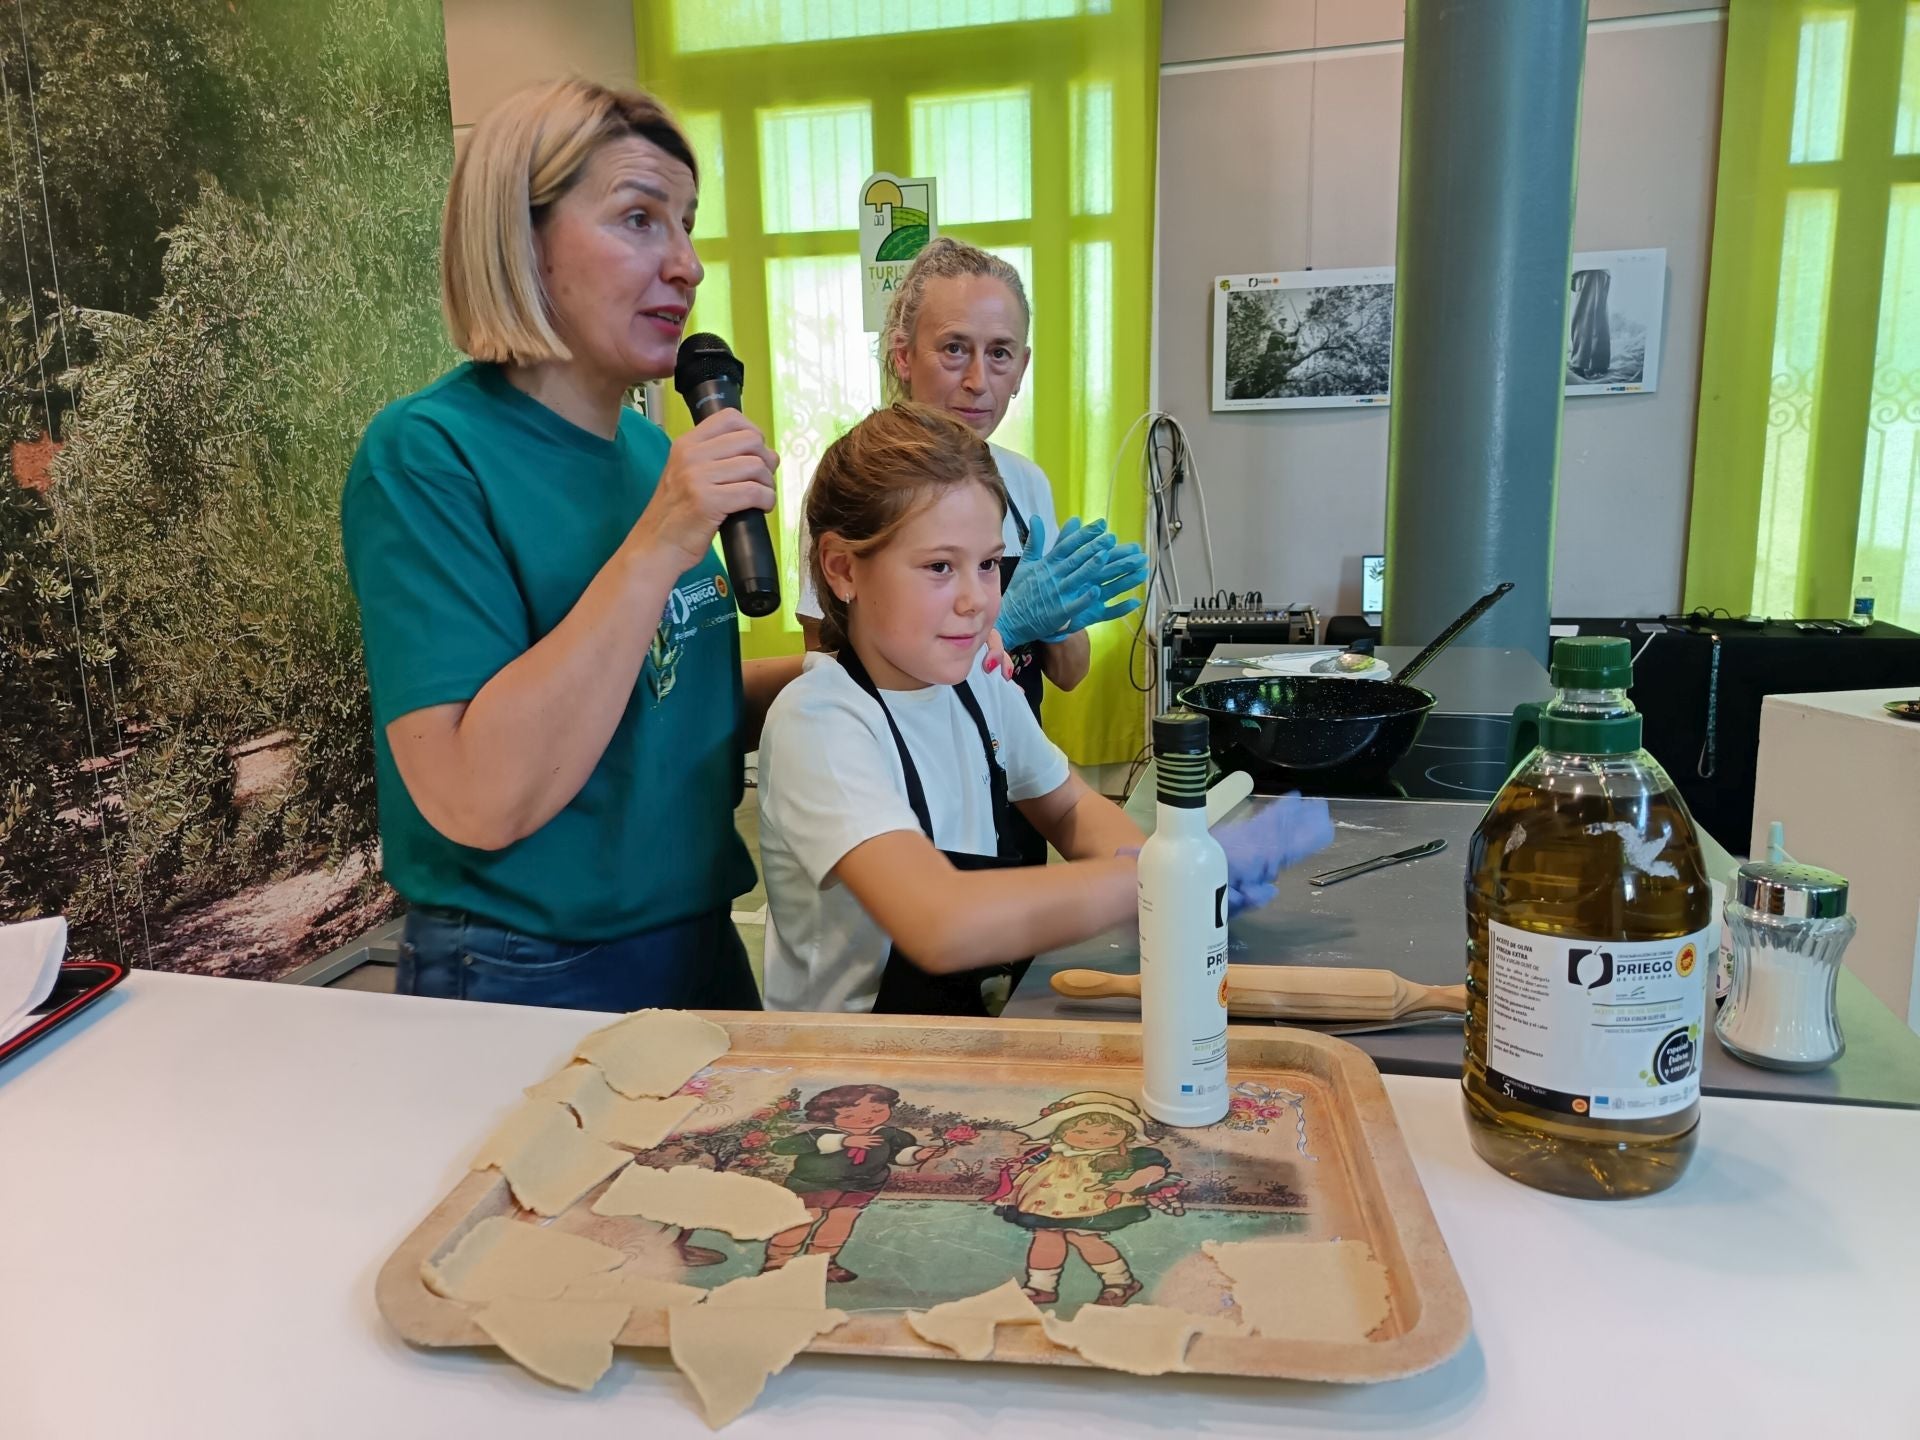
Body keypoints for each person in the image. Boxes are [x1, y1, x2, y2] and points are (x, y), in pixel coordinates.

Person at [340, 78, 793, 1012]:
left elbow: (656, 700)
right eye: (640, 219)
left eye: (687, 225)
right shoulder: (427, 455)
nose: (687, 265)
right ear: (522, 238)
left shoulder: (651, 455)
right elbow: (476, 794)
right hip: (532, 960)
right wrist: (661, 539)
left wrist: (855, 672)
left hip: (695, 930)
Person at [756, 403, 1333, 1017]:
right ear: (842, 569)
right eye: (940, 567)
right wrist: (1160, 879)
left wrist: (1152, 875)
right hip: (848, 1062)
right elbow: (937, 921)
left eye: (988, 564)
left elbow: (1067, 807)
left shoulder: (980, 682)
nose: (976, 600)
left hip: (953, 1033)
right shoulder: (820, 723)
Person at [987, 1091, 1181, 1308]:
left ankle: (1120, 1282)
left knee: (1084, 1238)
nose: (1094, 1138)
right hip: (1046, 1204)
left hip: (1094, 1203)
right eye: (1080, 1131)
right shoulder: (1052, 1151)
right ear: (1060, 1132)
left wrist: (1131, 1182)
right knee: (1045, 1237)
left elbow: (1156, 1170)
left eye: (1110, 1132)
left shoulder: (1127, 1156)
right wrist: (1015, 1166)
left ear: (1126, 1134)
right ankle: (1040, 1286)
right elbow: (1029, 1162)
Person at [761, 1083, 952, 1282]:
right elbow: (780, 1147)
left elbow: (898, 1155)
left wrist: (919, 1154)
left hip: (863, 1185)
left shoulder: (888, 1135)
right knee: (803, 1220)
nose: (867, 1117)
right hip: (813, 1185)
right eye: (850, 1114)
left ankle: (821, 1262)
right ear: (828, 1115)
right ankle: (777, 1262)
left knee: (842, 1221)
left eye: (877, 1110)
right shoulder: (820, 1134)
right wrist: (843, 1142)